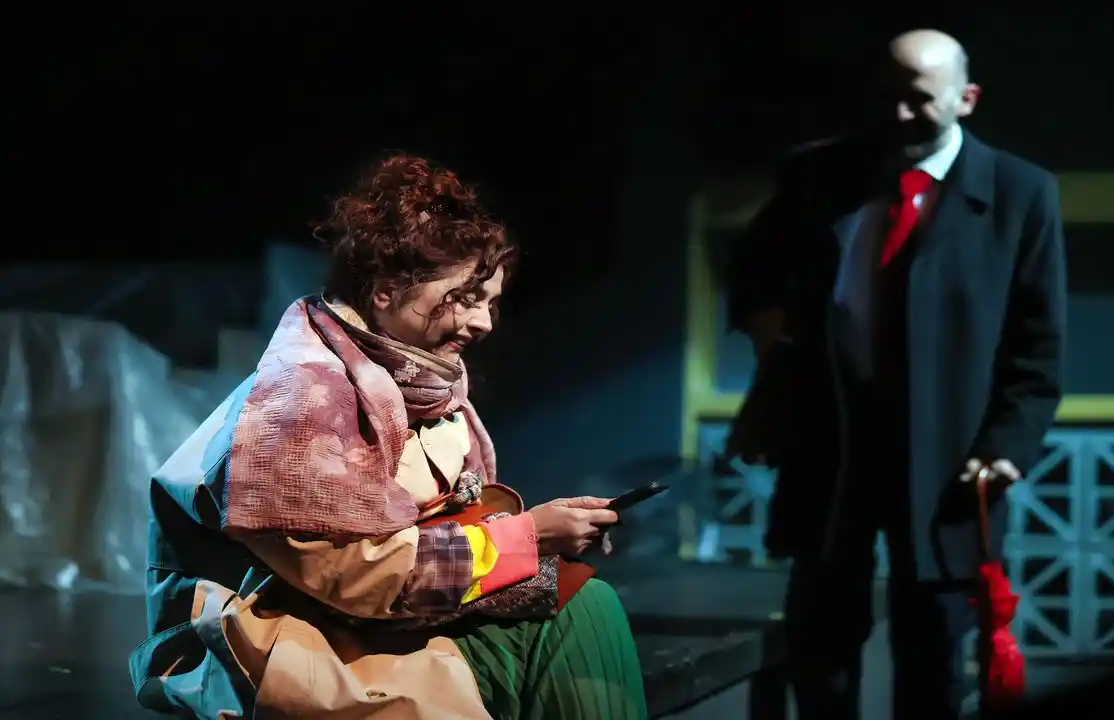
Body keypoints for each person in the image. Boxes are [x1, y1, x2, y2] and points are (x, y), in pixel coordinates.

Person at [127, 154, 648, 719]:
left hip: (368, 619)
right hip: (285, 641)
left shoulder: (419, 385)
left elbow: (433, 527)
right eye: (465, 299)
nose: (483, 323)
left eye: (491, 303)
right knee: (581, 616)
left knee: (582, 600)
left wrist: (541, 535)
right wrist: (529, 537)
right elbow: (356, 574)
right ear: (385, 290)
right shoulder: (303, 398)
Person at [726, 29, 1066, 718]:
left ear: (966, 99)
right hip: (835, 443)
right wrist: (775, 352)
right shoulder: (818, 175)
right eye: (887, 96)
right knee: (820, 644)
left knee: (933, 651)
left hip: (949, 452)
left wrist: (1007, 445)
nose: (899, 114)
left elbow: (1039, 344)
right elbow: (752, 273)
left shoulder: (1020, 192)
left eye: (919, 99)